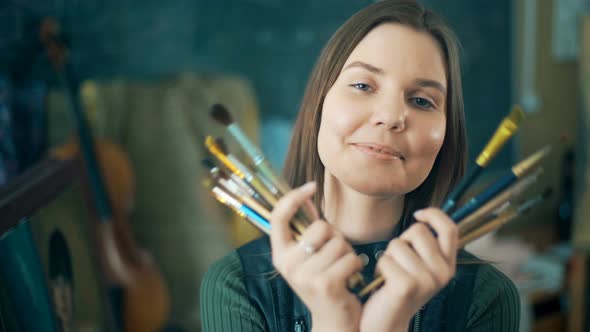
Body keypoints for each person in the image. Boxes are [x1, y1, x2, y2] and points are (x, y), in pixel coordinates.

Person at [200, 1, 520, 331]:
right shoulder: (236, 286)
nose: (391, 117)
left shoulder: (486, 298)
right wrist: (331, 317)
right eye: (363, 86)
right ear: (318, 104)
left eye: (422, 100)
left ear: (446, 137)